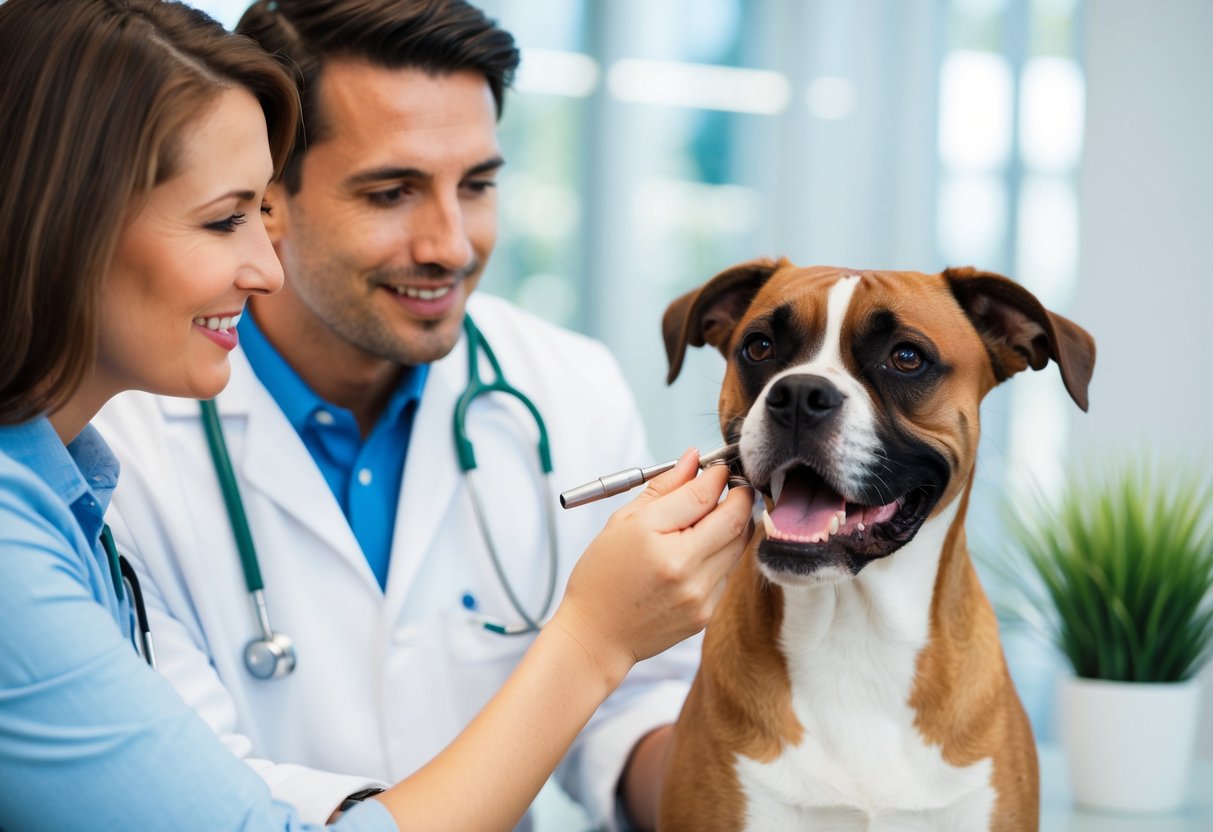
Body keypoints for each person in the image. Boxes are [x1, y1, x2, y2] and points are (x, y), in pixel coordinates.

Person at [0, 0, 752, 830]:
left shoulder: (566, 386)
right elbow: (204, 802)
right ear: (275, 196)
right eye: (390, 192)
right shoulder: (104, 452)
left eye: (476, 186)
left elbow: (632, 716)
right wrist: (593, 637)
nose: (451, 245)